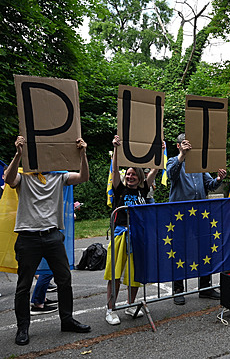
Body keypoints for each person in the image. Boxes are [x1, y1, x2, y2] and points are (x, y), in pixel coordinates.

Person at [5, 135, 91, 346]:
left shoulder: (58, 177)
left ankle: (67, 320)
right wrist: (18, 155)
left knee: (64, 279)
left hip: (52, 235)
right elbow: (8, 179)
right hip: (28, 237)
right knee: (23, 286)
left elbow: (83, 177)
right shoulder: (24, 176)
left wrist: (83, 153)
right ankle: (23, 328)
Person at [104, 135, 161, 326]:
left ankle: (130, 305)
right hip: (120, 234)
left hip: (138, 236)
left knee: (135, 273)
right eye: (128, 174)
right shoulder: (119, 189)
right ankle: (110, 309)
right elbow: (115, 170)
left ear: (140, 177)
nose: (130, 177)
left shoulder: (143, 189)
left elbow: (155, 169)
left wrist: (159, 152)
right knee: (115, 274)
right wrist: (116, 149)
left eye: (133, 174)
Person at [166, 134, 227, 305]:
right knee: (179, 250)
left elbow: (210, 185)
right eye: (185, 145)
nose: (189, 148)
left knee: (205, 248)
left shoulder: (199, 165)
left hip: (200, 213)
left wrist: (218, 179)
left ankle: (206, 287)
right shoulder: (173, 160)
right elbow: (171, 175)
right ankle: (178, 289)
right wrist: (182, 156)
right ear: (179, 146)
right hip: (180, 214)